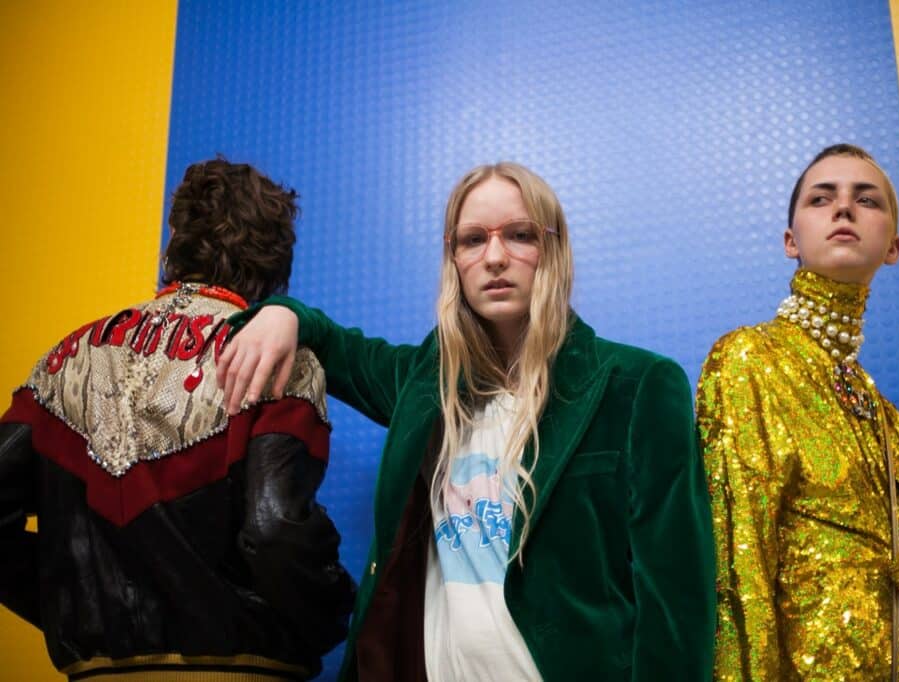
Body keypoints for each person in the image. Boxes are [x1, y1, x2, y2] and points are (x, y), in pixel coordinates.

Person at [217, 162, 717, 681]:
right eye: (472, 239)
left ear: (554, 248)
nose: (495, 257)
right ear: (453, 258)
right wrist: (283, 314)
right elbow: (337, 346)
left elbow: (678, 595)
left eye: (520, 235)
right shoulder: (426, 385)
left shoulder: (636, 385)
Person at [0, 158, 356, 681]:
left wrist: (65, 603)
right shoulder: (280, 361)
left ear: (176, 241)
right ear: (276, 259)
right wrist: (336, 613)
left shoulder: (63, 363)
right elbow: (276, 527)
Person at [697, 144, 899, 680]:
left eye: (867, 199)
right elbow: (740, 564)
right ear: (791, 240)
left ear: (895, 246)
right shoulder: (750, 360)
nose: (844, 208)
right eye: (821, 198)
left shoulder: (887, 418)